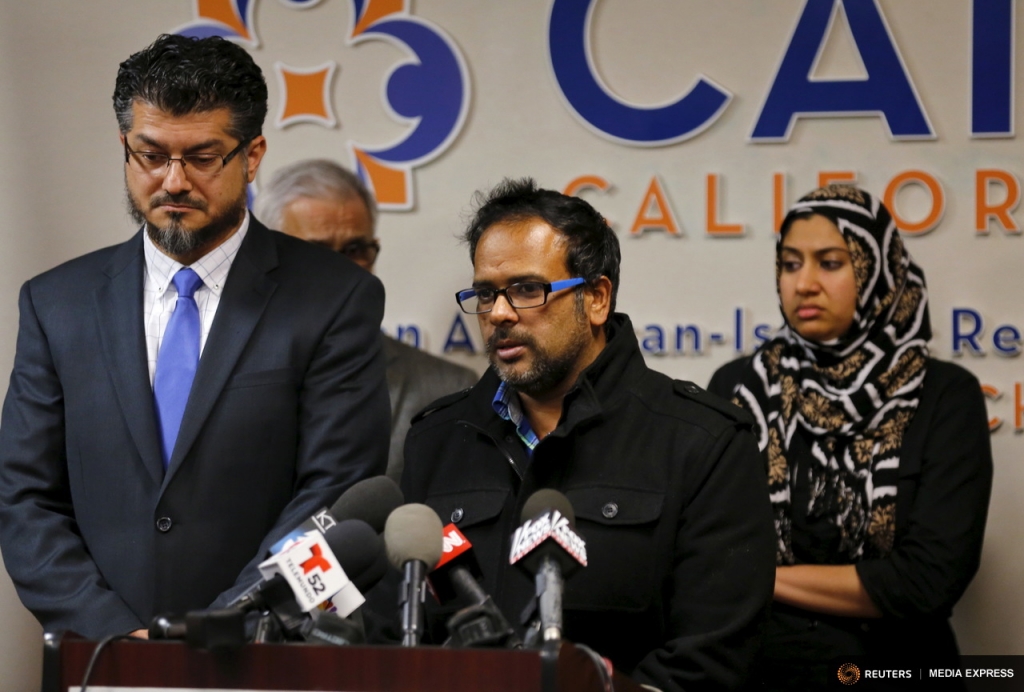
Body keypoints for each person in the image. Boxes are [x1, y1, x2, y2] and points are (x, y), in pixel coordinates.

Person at [0, 34, 390, 640]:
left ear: (252, 155)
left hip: (263, 658)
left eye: (202, 157)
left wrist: (221, 629)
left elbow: (331, 496)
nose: (173, 181)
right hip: (101, 663)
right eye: (151, 155)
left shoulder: (336, 299)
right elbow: (25, 500)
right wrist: (118, 639)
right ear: (124, 148)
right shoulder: (57, 304)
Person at [398, 178, 776, 691]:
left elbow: (710, 664)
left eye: (528, 290)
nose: (500, 314)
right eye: (486, 294)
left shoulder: (704, 443)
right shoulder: (436, 439)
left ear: (596, 298)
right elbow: (396, 636)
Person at [708, 184, 993, 690]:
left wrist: (763, 579)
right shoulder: (741, 388)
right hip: (759, 672)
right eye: (791, 264)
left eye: (831, 263)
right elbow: (707, 550)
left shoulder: (944, 396)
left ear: (877, 269)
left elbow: (927, 582)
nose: (805, 283)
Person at [256, 159, 477, 483]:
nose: (342, 270)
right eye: (314, 250)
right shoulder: (216, 377)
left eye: (355, 249)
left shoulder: (447, 392)